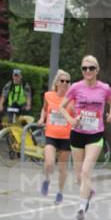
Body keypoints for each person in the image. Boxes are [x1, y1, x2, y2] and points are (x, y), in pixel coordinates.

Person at [62, 55, 111, 220]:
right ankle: (89, 192)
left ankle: (81, 209)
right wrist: (71, 120)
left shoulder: (105, 88)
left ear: (97, 70)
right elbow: (62, 106)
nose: (87, 71)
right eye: (84, 68)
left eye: (91, 68)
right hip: (77, 133)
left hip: (95, 134)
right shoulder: (76, 87)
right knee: (80, 176)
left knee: (86, 171)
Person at [37, 69, 71, 204]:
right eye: (62, 81)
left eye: (67, 82)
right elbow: (45, 109)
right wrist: (41, 119)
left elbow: (75, 114)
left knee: (62, 169)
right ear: (56, 83)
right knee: (49, 162)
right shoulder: (48, 95)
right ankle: (47, 180)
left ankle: (60, 193)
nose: (64, 84)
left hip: (66, 136)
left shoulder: (71, 99)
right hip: (51, 134)